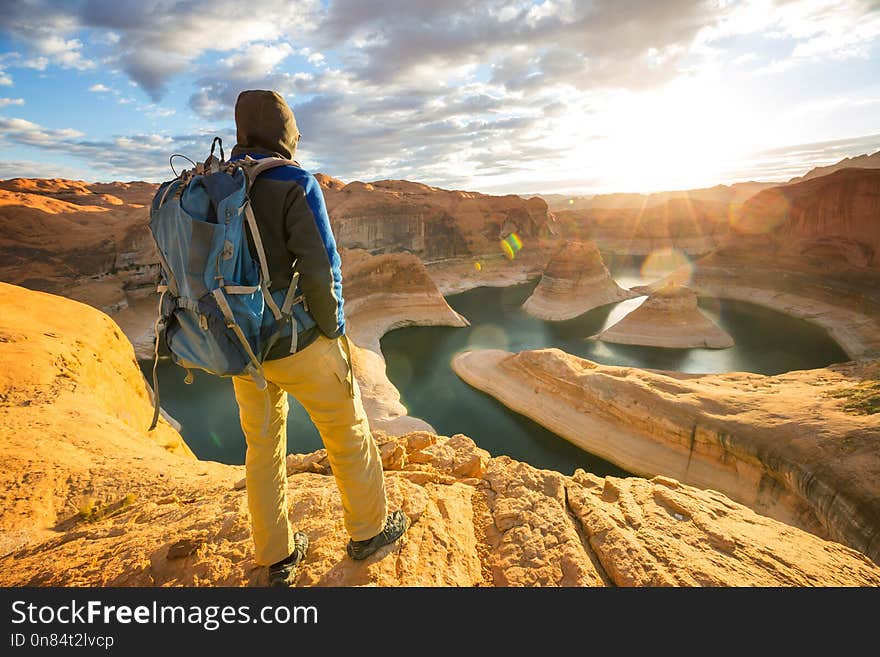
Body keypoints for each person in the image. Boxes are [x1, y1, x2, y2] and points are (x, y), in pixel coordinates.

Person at [229, 89, 407, 587]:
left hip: (239, 344)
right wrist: (335, 335)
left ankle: (277, 555)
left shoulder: (214, 183)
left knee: (262, 447)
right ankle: (369, 533)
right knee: (347, 432)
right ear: (285, 130)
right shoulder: (291, 180)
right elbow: (322, 266)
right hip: (298, 342)